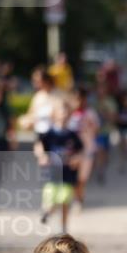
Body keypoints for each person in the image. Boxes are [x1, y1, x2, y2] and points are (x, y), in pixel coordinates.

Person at [34, 98, 83, 233]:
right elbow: (39, 146)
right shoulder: (49, 133)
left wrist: (77, 159)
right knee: (50, 200)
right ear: (54, 115)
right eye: (61, 111)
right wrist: (42, 156)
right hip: (51, 173)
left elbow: (80, 151)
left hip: (67, 174)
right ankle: (46, 213)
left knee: (64, 202)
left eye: (67, 112)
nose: (64, 114)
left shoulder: (72, 135)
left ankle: (63, 228)